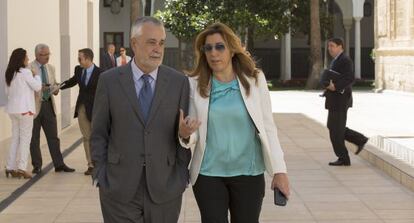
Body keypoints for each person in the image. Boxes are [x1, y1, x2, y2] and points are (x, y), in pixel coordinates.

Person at [180, 22, 290, 223]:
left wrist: (279, 170)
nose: (214, 53)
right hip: (208, 174)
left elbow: (268, 127)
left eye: (220, 46)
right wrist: (186, 133)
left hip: (249, 173)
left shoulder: (255, 80)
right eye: (208, 48)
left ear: (231, 49)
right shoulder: (194, 84)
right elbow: (193, 130)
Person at [91, 16, 191, 223]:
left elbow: (184, 135)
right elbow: (99, 133)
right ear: (134, 44)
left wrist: (181, 175)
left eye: (162, 43)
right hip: (119, 188)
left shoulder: (178, 82)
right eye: (151, 42)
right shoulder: (109, 81)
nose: (158, 49)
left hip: (165, 188)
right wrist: (101, 173)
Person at [29, 44, 75, 174]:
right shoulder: (29, 68)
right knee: (34, 138)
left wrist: (56, 88)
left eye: (49, 54)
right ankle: (37, 165)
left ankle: (59, 164)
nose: (48, 57)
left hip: (48, 105)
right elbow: (27, 87)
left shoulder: (51, 68)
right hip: (35, 106)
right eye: (45, 55)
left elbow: (54, 82)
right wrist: (39, 87)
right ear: (37, 55)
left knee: (53, 137)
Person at [323, 37, 369, 166]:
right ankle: (360, 139)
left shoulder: (345, 60)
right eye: (329, 46)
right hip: (334, 100)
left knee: (335, 130)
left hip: (341, 100)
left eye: (332, 46)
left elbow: (350, 78)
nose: (329, 49)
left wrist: (336, 87)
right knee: (333, 127)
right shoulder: (336, 60)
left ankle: (344, 157)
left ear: (340, 46)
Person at [60, 48, 101, 175]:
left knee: (97, 137)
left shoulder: (100, 73)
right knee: (87, 136)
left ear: (88, 59)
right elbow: (72, 81)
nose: (78, 61)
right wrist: (58, 87)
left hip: (96, 108)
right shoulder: (78, 70)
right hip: (82, 108)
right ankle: (91, 164)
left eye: (80, 58)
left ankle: (99, 162)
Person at [4, 48, 42, 179]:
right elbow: (37, 87)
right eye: (26, 57)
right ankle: (21, 168)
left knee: (15, 138)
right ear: (21, 59)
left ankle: (10, 167)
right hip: (25, 110)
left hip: (13, 110)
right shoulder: (26, 72)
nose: (28, 59)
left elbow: (7, 92)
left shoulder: (10, 73)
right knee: (25, 139)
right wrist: (36, 74)